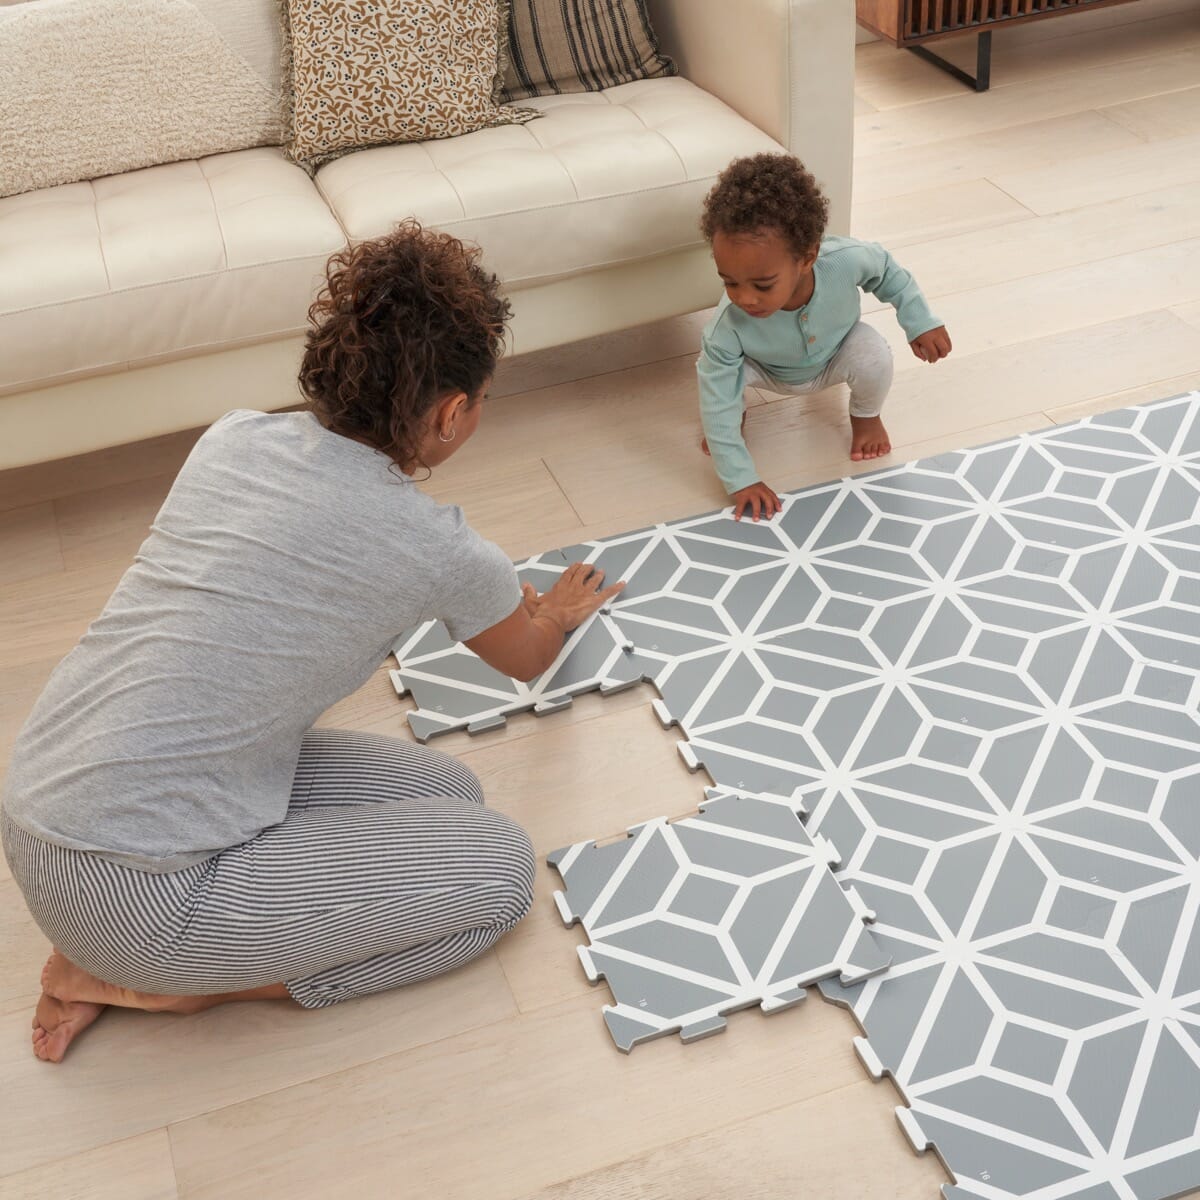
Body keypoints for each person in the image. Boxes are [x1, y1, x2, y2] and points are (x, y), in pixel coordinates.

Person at [2, 220, 623, 1063]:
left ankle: (126, 946)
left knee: (450, 790)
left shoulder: (234, 437)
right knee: (503, 876)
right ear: (451, 414)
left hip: (42, 801)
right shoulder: (433, 546)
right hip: (140, 895)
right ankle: (167, 983)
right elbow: (530, 658)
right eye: (481, 400)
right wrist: (552, 612)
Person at [697, 153, 953, 521]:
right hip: (763, 368)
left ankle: (866, 416)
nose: (745, 298)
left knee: (874, 355)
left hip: (835, 352)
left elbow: (887, 271)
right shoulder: (727, 326)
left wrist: (920, 321)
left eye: (762, 285)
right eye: (729, 282)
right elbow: (715, 397)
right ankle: (735, 421)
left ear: (807, 257)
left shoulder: (845, 260)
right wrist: (740, 479)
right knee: (718, 392)